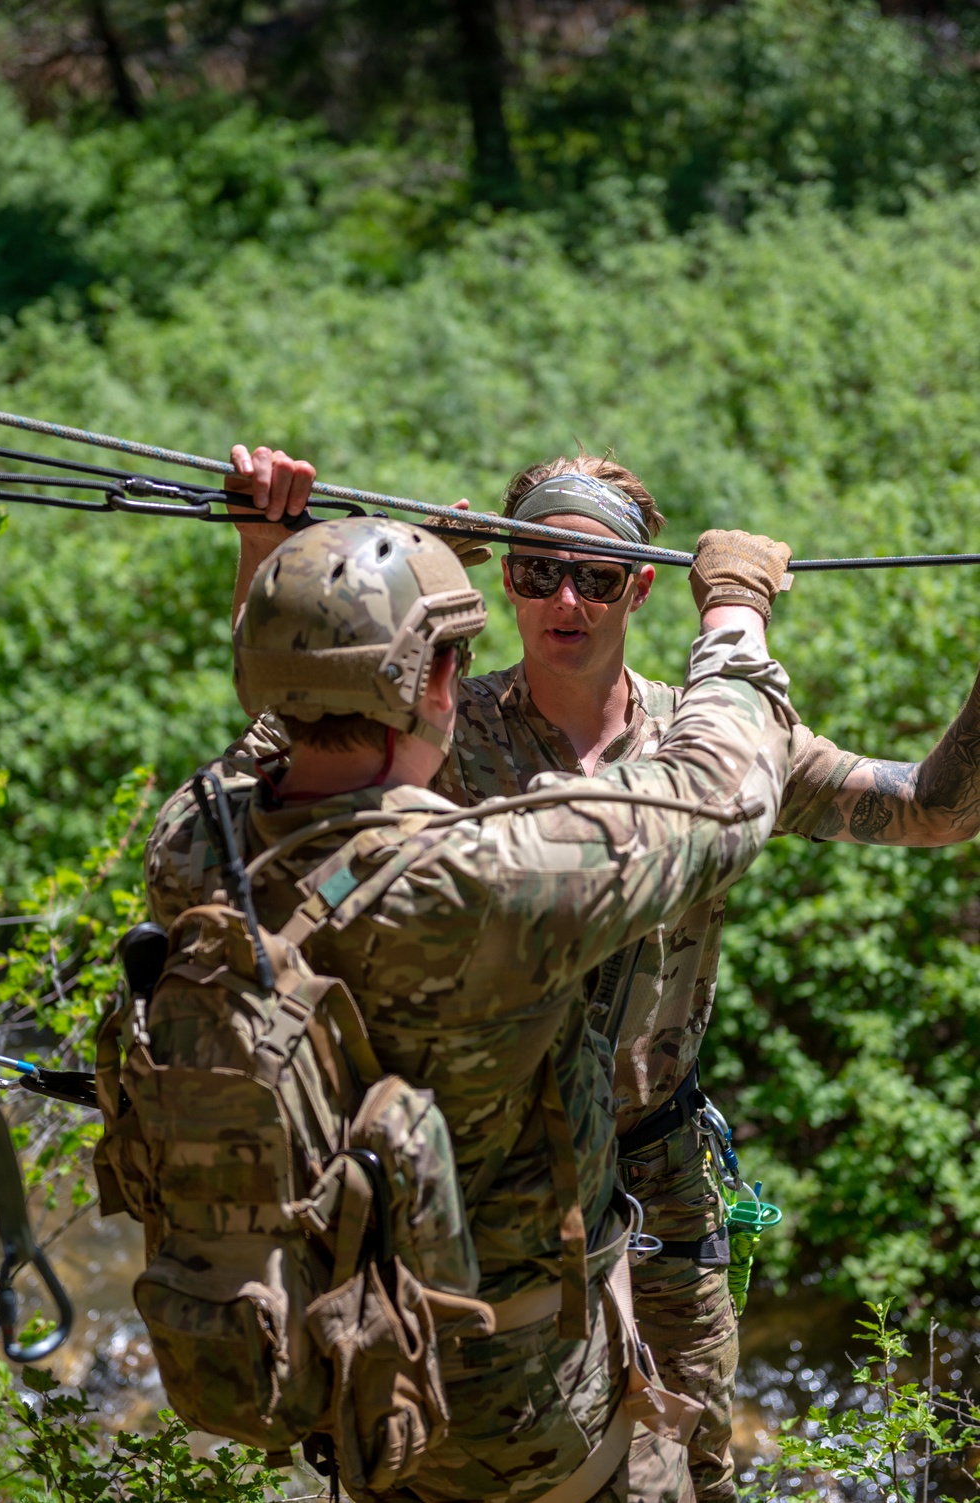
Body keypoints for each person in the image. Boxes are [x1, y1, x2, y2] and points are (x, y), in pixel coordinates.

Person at [223, 444, 980, 1503]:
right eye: (534, 571)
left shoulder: (703, 734)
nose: (562, 599)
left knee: (687, 1452)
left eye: (592, 575)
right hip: (483, 1173)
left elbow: (933, 810)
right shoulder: (438, 726)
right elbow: (283, 767)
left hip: (657, 1162)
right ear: (502, 583)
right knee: (451, 1459)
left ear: (641, 585)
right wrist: (270, 549)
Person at [147, 514, 796, 1503]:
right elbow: (718, 797)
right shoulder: (491, 883)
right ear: (437, 685)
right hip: (524, 1421)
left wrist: (316, 582)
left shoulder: (195, 844)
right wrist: (736, 617)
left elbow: (266, 739)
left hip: (355, 1387)